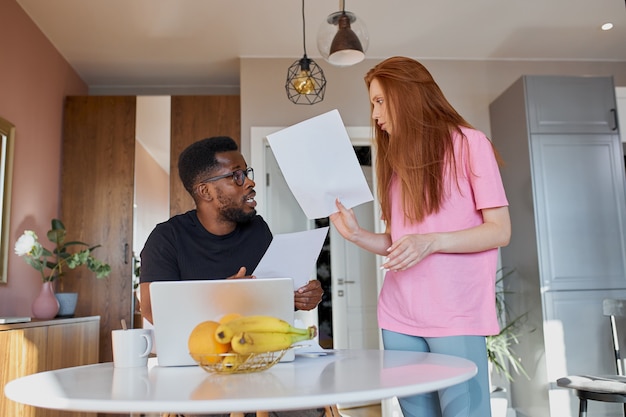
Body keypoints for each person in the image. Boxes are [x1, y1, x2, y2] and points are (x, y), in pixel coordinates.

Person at [329, 57, 511, 417]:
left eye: (380, 101)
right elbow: (400, 243)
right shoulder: (396, 165)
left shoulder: (471, 144)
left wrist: (432, 241)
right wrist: (357, 235)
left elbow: (499, 230)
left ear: (408, 95)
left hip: (454, 315)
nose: (376, 114)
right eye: (373, 103)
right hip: (398, 317)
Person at [139, 136, 323, 325]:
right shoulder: (167, 238)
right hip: (196, 351)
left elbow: (272, 294)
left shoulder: (257, 229)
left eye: (246, 173)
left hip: (257, 347)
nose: (250, 183)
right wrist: (223, 295)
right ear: (205, 191)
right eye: (236, 176)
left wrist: (301, 296)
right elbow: (152, 310)